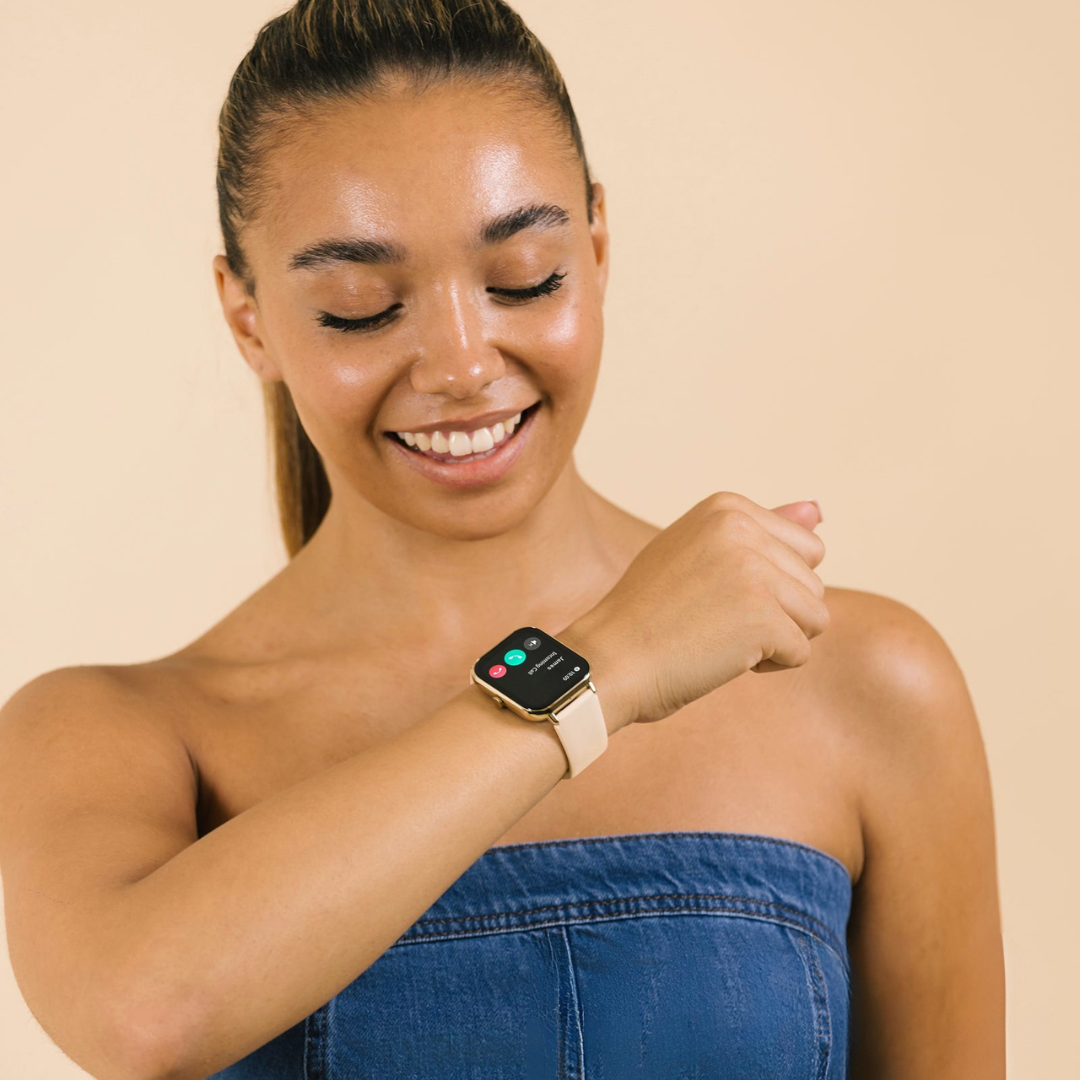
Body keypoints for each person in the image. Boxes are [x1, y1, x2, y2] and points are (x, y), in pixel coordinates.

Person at [0, 1, 1004, 1077]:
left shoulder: (867, 685)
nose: (462, 364)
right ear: (249, 319)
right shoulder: (118, 735)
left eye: (525, 277)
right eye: (360, 307)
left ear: (597, 248)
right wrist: (602, 667)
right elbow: (145, 1015)